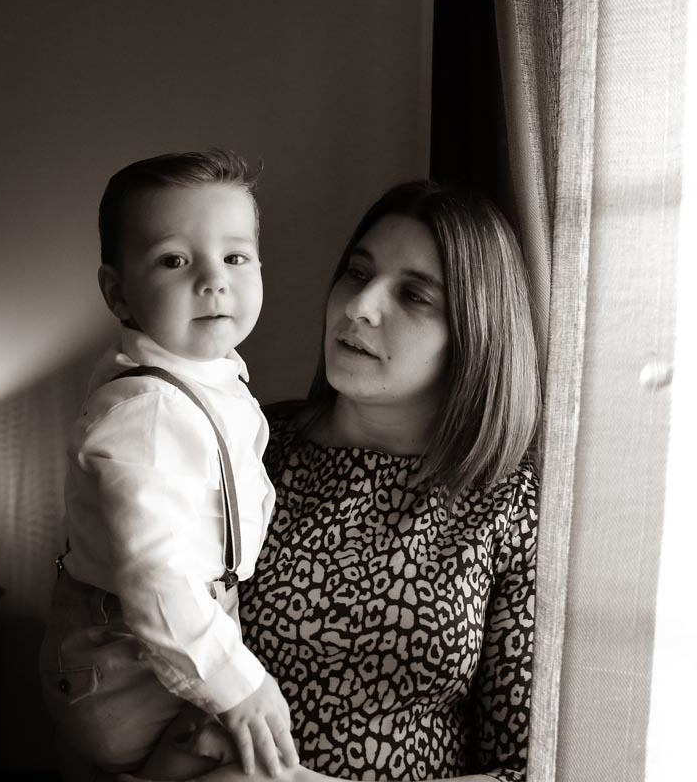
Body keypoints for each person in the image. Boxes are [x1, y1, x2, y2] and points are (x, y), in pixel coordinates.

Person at [167, 179, 540, 782]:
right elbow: (135, 640)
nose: (360, 305)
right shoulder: (244, 448)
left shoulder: (506, 502)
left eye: (414, 295)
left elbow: (524, 768)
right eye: (357, 273)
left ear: (476, 331)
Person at [38, 149, 298, 781]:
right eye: (174, 260)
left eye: (235, 257)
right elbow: (158, 579)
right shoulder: (148, 412)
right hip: (125, 660)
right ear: (118, 293)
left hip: (172, 635)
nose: (214, 280)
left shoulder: (206, 376)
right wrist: (239, 686)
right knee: (253, 763)